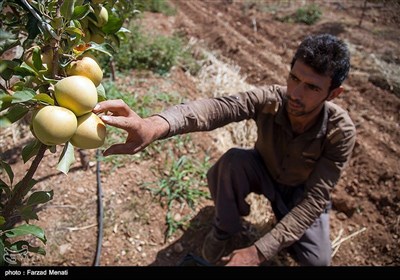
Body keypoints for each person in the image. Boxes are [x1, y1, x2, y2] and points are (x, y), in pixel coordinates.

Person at [93, 33, 356, 266]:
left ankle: (278, 224)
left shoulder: (339, 131)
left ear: (333, 94)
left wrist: (257, 252)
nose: (296, 93)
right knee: (232, 162)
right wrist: (154, 125)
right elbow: (218, 108)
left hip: (301, 190)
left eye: (311, 87)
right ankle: (224, 229)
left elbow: (314, 200)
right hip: (263, 170)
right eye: (294, 78)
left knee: (317, 261)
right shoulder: (271, 100)